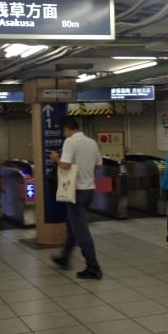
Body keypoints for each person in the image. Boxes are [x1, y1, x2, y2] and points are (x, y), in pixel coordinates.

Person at [49, 116, 103, 279]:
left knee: (81, 230)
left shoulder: (70, 142)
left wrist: (55, 159)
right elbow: (99, 166)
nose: (64, 134)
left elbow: (65, 165)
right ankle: (64, 257)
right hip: (89, 190)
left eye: (64, 131)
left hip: (76, 191)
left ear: (67, 129)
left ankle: (93, 267)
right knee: (72, 225)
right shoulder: (92, 142)